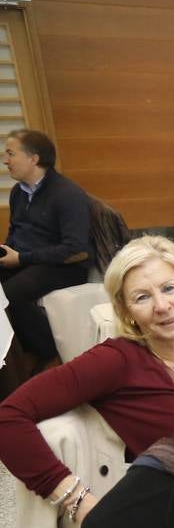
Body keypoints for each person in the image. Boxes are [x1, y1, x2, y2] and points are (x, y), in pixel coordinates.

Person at [0, 236, 174, 519]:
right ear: (126, 312)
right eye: (142, 297)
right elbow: (8, 417)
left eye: (169, 288)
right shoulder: (117, 360)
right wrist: (79, 501)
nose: (162, 305)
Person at [0, 128, 94, 366]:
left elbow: (76, 248)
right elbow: (16, 230)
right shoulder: (18, 193)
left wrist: (21, 258)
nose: (5, 160)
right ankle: (12, 355)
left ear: (34, 158)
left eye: (11, 153)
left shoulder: (67, 193)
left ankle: (50, 356)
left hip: (64, 265)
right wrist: (8, 252)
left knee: (11, 295)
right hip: (30, 259)